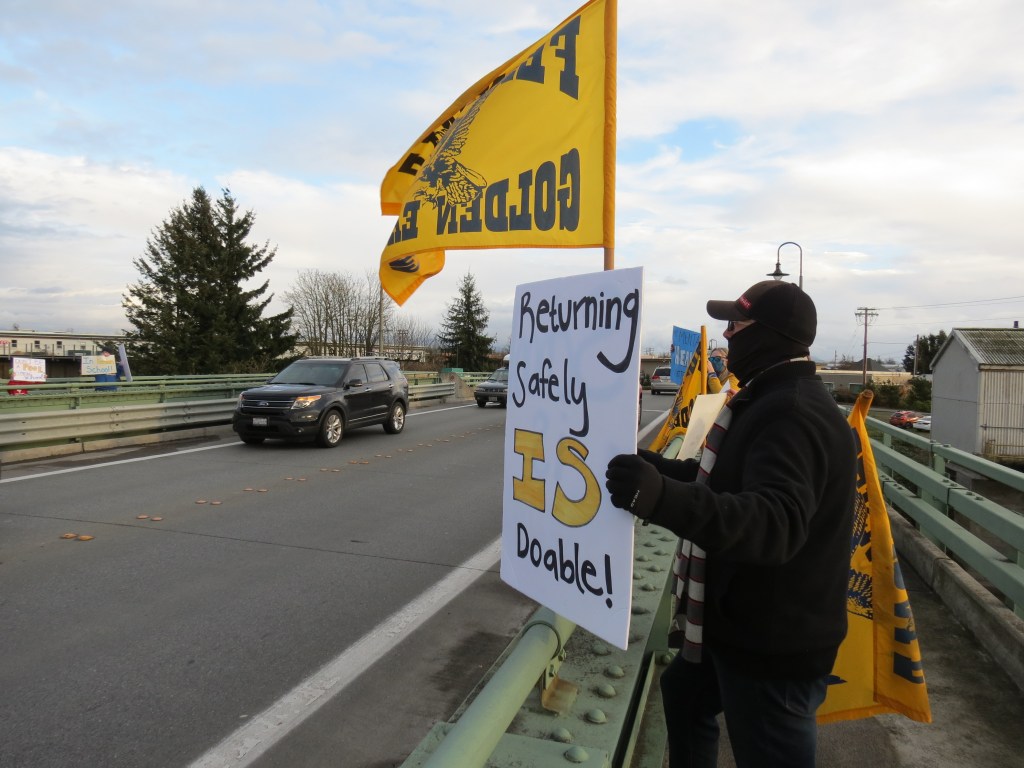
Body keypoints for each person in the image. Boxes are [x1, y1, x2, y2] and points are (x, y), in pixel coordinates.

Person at [605, 280, 856, 768]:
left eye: (735, 325)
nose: (726, 334)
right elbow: (720, 480)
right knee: (683, 692)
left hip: (773, 645)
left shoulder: (791, 413)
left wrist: (658, 498)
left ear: (769, 336)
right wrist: (653, 469)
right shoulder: (769, 396)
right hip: (742, 622)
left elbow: (774, 522)